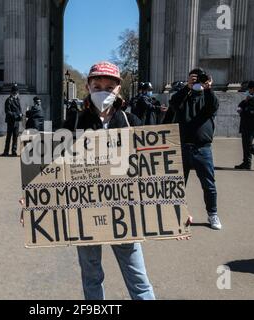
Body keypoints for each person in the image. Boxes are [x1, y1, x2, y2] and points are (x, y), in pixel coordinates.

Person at [65, 61, 154, 300]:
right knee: (91, 276)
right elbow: (52, 168)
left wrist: (175, 207)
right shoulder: (73, 123)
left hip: (125, 211)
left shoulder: (132, 122)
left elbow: (154, 169)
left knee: (138, 279)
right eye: (97, 86)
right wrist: (32, 201)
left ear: (118, 90)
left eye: (109, 87)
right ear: (88, 87)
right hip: (85, 211)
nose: (103, 91)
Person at [169, 68, 222, 230]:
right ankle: (175, 214)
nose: (198, 81)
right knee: (177, 184)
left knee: (209, 185)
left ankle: (212, 214)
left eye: (201, 79)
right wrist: (187, 87)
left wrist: (208, 88)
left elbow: (214, 106)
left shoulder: (207, 98)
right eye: (195, 78)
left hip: (202, 149)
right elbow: (173, 103)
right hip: (183, 147)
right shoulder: (184, 97)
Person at [235, 81, 254, 170]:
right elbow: (239, 108)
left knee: (249, 147)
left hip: (250, 126)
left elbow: (248, 112)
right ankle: (246, 163)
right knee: (246, 146)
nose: (248, 91)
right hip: (246, 127)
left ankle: (247, 163)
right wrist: (246, 102)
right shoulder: (246, 100)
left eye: (249, 89)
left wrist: (245, 111)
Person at [3, 84, 23, 157]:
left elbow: (20, 109)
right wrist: (17, 115)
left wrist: (21, 114)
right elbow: (7, 111)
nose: (17, 94)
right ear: (12, 93)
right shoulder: (8, 100)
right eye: (15, 93)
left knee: (15, 137)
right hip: (11, 121)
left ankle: (14, 151)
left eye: (17, 93)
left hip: (16, 121)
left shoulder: (17, 100)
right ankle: (6, 151)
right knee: (9, 137)